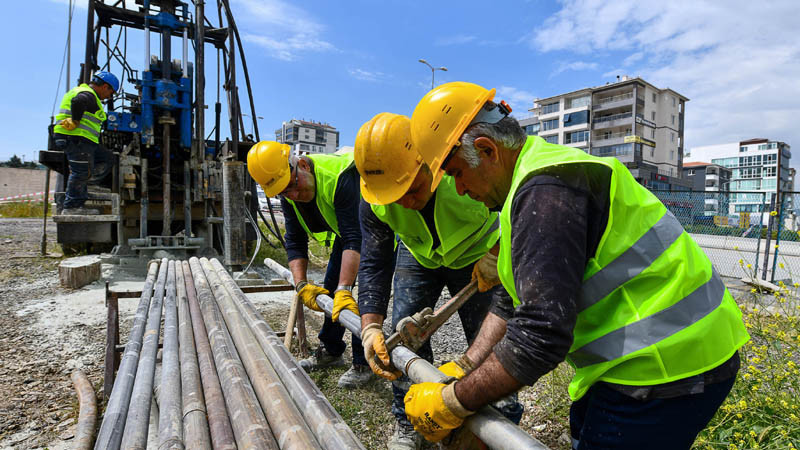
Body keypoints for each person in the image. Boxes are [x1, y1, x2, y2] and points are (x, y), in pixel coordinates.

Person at [402, 82, 750, 449]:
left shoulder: (546, 192)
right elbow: (510, 302)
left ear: (487, 150)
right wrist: (467, 365)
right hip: (657, 357)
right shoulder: (529, 182)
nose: (458, 189)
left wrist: (453, 402)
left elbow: (539, 337)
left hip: (667, 367)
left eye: (456, 172)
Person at [354, 112, 521, 450]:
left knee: (491, 343)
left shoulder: (463, 169)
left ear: (429, 163)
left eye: (412, 189)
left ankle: (499, 423)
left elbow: (519, 203)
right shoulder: (373, 196)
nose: (405, 203)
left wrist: (499, 253)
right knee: (402, 342)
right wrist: (370, 325)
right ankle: (409, 422)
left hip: (480, 254)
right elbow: (374, 260)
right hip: (420, 256)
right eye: (394, 196)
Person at [247, 141, 372, 388]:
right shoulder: (286, 187)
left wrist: (345, 289)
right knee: (330, 286)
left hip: (376, 231)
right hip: (347, 234)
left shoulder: (341, 176)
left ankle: (363, 363)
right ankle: (332, 349)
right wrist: (301, 284)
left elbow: (356, 237)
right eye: (284, 193)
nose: (292, 196)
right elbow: (294, 239)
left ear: (302, 165)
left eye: (293, 186)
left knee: (366, 293)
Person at [53, 71, 119, 215]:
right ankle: (71, 207)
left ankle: (89, 184)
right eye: (110, 92)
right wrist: (76, 120)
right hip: (76, 138)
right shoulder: (88, 94)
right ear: (105, 86)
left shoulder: (88, 93)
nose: (109, 96)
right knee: (80, 172)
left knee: (107, 158)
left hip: (84, 140)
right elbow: (78, 101)